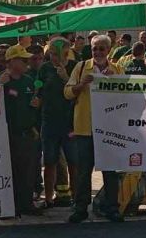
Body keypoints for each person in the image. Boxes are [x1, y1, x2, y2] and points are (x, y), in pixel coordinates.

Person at [64, 34, 125, 223]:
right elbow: (67, 93)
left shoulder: (117, 69)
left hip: (109, 128)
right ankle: (81, 208)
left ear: (108, 50)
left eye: (101, 48)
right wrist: (82, 84)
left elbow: (127, 97)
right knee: (84, 171)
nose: (98, 52)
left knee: (110, 171)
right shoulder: (81, 67)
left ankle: (112, 207)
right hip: (85, 128)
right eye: (94, 48)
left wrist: (114, 81)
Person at [0, 45, 41, 216]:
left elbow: (32, 105)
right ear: (12, 61)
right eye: (22, 60)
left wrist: (36, 108)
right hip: (8, 133)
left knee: (28, 171)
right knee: (10, 171)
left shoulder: (28, 81)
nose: (26, 62)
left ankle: (26, 203)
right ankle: (10, 205)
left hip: (27, 132)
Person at [38, 38, 77, 208]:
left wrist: (65, 77)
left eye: (59, 54)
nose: (55, 58)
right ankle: (48, 198)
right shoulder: (45, 68)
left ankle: (77, 198)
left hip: (70, 123)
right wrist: (36, 94)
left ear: (67, 53)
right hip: (49, 121)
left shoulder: (75, 66)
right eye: (52, 54)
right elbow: (38, 84)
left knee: (74, 163)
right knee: (49, 162)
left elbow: (78, 91)